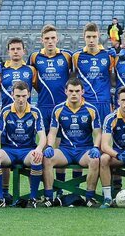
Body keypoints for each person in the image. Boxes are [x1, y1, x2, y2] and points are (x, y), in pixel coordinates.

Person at [44, 79, 102, 207]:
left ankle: (89, 198)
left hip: (84, 150)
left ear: (83, 92)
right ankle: (49, 197)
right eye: (71, 91)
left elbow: (98, 133)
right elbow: (53, 132)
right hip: (65, 150)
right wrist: (49, 146)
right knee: (47, 158)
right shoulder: (58, 109)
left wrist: (96, 147)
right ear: (66, 92)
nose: (74, 94)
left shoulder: (91, 109)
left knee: (95, 160)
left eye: (77, 91)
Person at [0, 81, 48, 207]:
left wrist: (38, 148)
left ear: (28, 95)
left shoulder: (35, 111)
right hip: (9, 151)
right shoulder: (5, 111)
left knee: (36, 158)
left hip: (27, 150)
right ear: (12, 95)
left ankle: (32, 199)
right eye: (18, 96)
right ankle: (0, 199)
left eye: (23, 96)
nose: (21, 99)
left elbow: (43, 136)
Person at [73, 23, 116, 122]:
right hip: (84, 102)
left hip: (104, 101)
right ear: (84, 37)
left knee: (105, 134)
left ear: (99, 36)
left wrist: (120, 53)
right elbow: (72, 78)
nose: (91, 40)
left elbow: (113, 78)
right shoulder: (76, 56)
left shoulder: (108, 55)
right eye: (88, 37)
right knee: (85, 135)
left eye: (94, 37)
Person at [0, 37, 37, 109]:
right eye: (12, 49)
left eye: (18, 49)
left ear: (24, 51)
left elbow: (39, 90)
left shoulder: (31, 70)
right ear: (8, 52)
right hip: (7, 113)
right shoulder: (1, 70)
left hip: (26, 114)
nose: (15, 51)